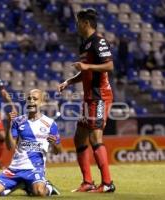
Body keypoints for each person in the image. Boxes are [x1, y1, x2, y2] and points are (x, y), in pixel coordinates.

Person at [58, 8, 116, 193]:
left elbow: (109, 65)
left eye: (78, 22)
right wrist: (69, 81)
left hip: (100, 96)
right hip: (88, 98)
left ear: (86, 23)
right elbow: (86, 72)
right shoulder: (84, 44)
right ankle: (88, 182)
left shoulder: (99, 41)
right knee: (79, 138)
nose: (76, 25)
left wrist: (87, 65)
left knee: (94, 136)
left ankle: (107, 183)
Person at [0, 89, 61, 196]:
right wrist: (9, 124)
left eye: (35, 99)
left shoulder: (50, 123)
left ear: (42, 102)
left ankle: (49, 187)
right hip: (15, 168)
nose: (31, 101)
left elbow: (57, 151)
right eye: (29, 98)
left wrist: (54, 143)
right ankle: (20, 184)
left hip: (35, 168)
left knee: (40, 192)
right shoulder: (18, 121)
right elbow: (10, 147)